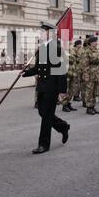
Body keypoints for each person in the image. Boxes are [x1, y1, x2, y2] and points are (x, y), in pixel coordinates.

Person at [22, 21, 70, 154]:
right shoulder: (43, 47)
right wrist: (26, 73)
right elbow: (39, 68)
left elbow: (61, 70)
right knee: (42, 112)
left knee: (46, 116)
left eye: (43, 32)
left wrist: (62, 90)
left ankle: (43, 144)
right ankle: (63, 126)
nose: (41, 34)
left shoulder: (56, 48)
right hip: (42, 86)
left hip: (52, 87)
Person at [81, 36, 99, 115]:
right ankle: (89, 107)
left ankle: (93, 106)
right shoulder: (86, 51)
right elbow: (84, 65)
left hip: (96, 73)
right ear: (91, 43)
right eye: (95, 41)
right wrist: (86, 75)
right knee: (89, 91)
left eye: (96, 41)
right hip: (90, 73)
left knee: (94, 91)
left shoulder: (97, 51)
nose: (96, 43)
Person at [62, 40, 82, 112]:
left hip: (73, 72)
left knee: (72, 89)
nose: (70, 43)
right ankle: (64, 105)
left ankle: (69, 103)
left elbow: (77, 60)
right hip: (66, 73)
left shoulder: (73, 50)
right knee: (66, 89)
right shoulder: (63, 51)